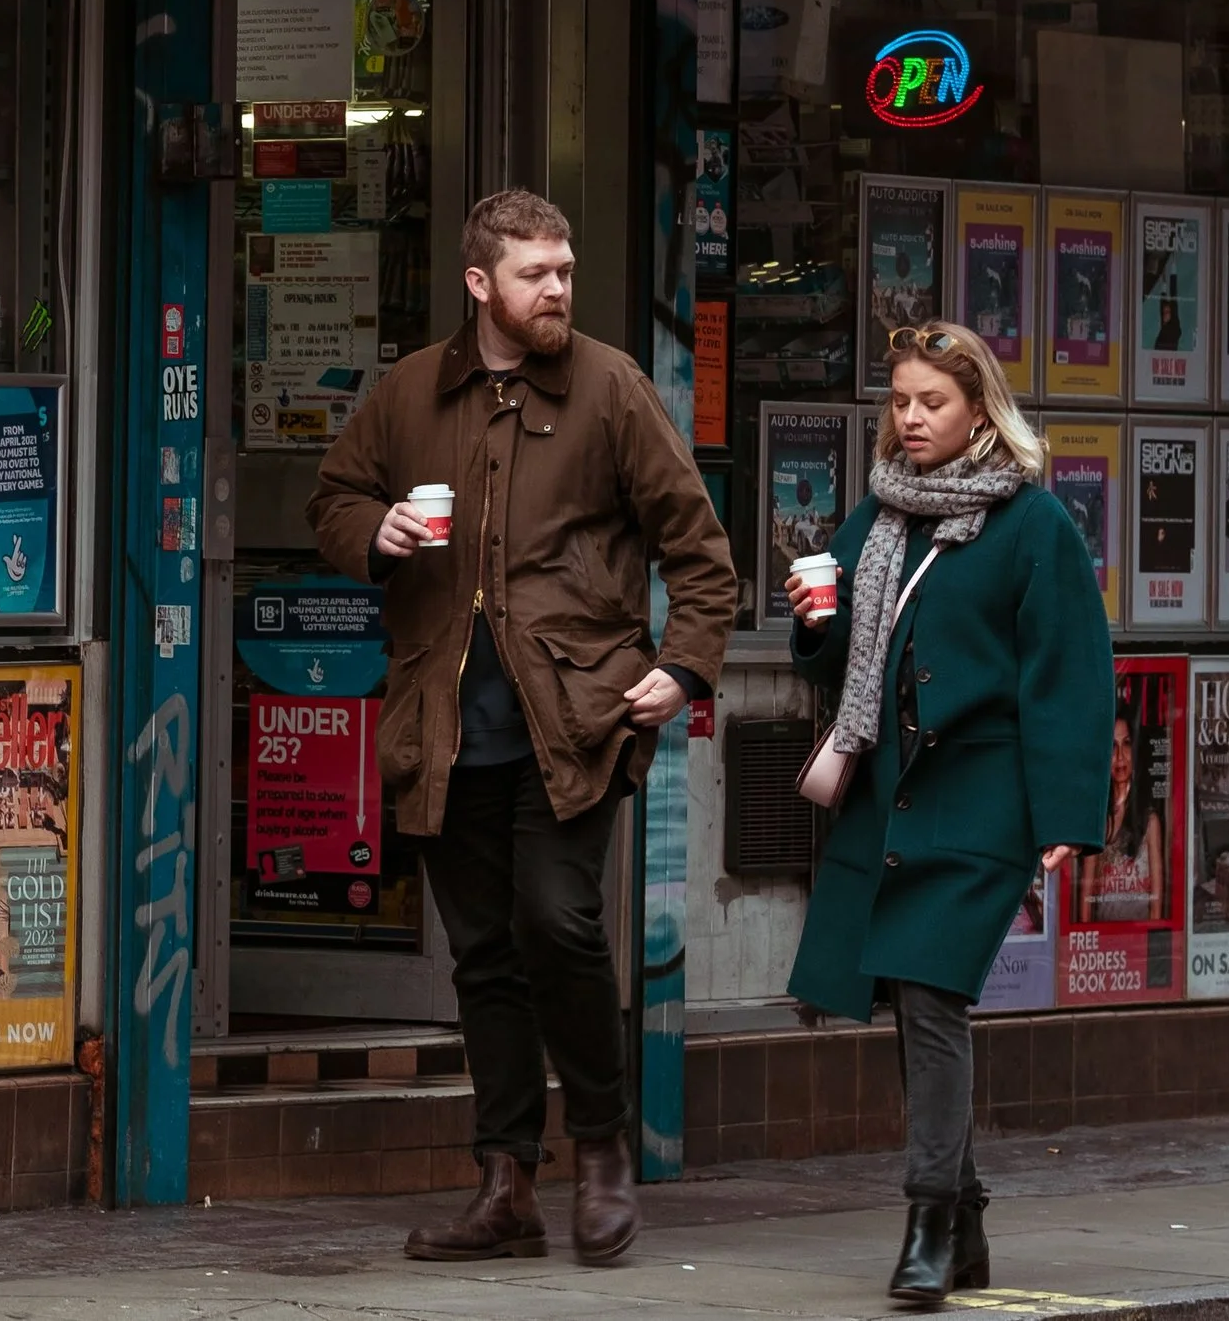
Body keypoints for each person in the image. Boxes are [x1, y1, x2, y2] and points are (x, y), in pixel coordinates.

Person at [307, 188, 735, 1267]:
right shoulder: (410, 389)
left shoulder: (607, 385)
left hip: (577, 718)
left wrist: (680, 665)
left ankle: (600, 1147)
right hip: (445, 723)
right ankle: (503, 1182)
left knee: (558, 921)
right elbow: (330, 500)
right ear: (478, 283)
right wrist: (380, 527)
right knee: (485, 954)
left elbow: (697, 547)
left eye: (565, 269)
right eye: (535, 273)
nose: (557, 290)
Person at [784, 321, 1111, 1305]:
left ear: (978, 407)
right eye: (900, 401)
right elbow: (841, 649)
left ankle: (926, 1217)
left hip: (981, 797)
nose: (912, 417)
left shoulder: (1031, 524)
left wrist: (1064, 813)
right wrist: (813, 622)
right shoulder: (877, 516)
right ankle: (961, 1215)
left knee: (930, 994)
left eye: (932, 401)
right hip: (890, 796)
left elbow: (1068, 674)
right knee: (900, 996)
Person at [1078, 707, 1166, 923]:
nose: (1119, 756)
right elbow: (1087, 892)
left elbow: (1156, 899)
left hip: (1137, 941)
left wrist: (1152, 946)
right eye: (1112, 746)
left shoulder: (1149, 822)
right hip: (1105, 944)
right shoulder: (1098, 819)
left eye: (1126, 744)